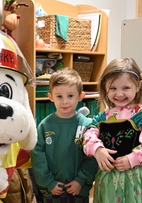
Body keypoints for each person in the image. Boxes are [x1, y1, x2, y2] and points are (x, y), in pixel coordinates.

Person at [83, 57, 142, 203]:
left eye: (126, 88)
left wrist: (132, 159)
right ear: (105, 88)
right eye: (113, 88)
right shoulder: (104, 116)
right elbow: (89, 133)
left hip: (135, 175)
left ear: (138, 86)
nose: (119, 94)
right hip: (108, 177)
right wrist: (97, 149)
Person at [31, 67, 98, 203]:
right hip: (52, 189)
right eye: (59, 96)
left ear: (80, 96)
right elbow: (37, 156)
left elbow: (92, 157)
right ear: (50, 97)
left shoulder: (86, 125)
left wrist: (80, 180)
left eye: (70, 96)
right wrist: (49, 182)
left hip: (79, 188)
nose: (65, 101)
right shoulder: (44, 125)